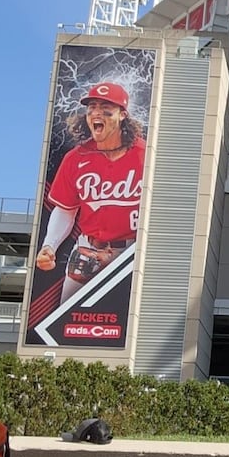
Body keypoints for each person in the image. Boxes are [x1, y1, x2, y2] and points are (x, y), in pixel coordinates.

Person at [34, 81, 146, 304]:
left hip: (132, 252)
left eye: (105, 108)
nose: (96, 113)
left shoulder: (146, 154)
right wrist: (50, 245)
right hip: (88, 250)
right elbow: (66, 209)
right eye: (91, 107)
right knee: (66, 320)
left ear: (122, 115)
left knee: (128, 322)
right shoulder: (76, 157)